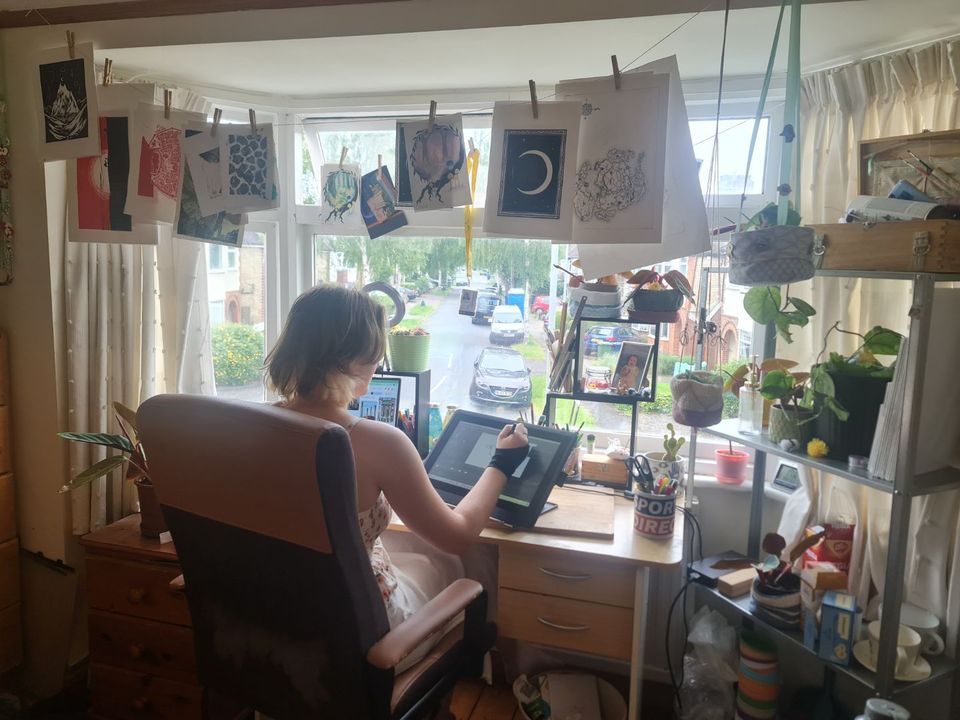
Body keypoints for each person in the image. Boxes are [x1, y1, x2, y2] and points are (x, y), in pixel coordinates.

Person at [265, 285, 528, 668]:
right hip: (364, 636)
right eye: (376, 355)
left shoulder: (254, 426)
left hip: (277, 620)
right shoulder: (379, 442)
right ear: (357, 361)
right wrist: (502, 463)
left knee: (422, 560)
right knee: (457, 567)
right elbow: (457, 537)